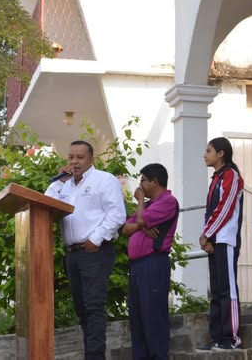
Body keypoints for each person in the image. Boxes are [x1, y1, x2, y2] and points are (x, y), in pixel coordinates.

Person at [45, 140, 127, 360]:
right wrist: (59, 180)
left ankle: (94, 357)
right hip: (73, 255)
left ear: (91, 159)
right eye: (71, 157)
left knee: (93, 307)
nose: (74, 162)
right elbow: (46, 205)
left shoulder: (104, 180)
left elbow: (117, 214)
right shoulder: (65, 185)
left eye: (80, 157)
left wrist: (96, 239)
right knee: (81, 308)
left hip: (95, 252)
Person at [121, 163, 179, 360]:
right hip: (137, 266)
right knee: (137, 318)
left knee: (153, 316)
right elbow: (125, 229)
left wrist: (139, 206)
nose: (140, 185)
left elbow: (141, 220)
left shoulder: (168, 201)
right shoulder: (148, 205)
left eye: (143, 180)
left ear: (154, 181)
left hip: (153, 263)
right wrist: (142, 225)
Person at [197, 137, 244, 352]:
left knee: (228, 290)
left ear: (221, 153)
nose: (205, 155)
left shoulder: (231, 175)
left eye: (209, 151)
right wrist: (206, 236)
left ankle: (231, 338)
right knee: (216, 290)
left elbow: (225, 207)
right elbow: (210, 210)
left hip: (225, 239)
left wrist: (207, 233)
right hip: (215, 239)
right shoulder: (215, 178)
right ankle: (217, 337)